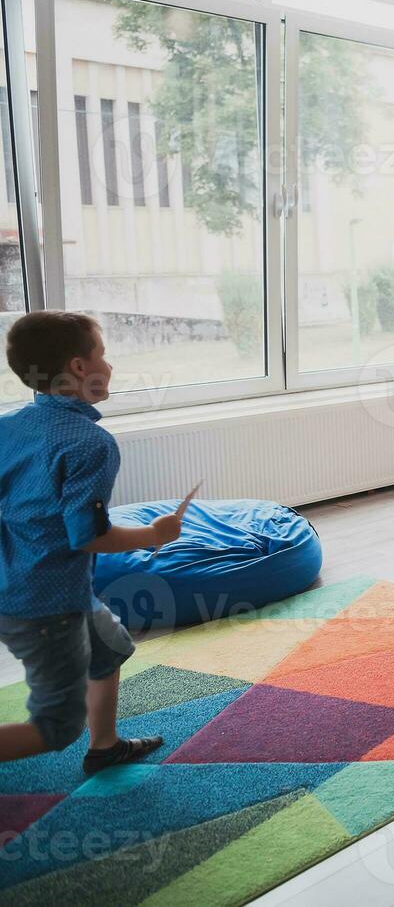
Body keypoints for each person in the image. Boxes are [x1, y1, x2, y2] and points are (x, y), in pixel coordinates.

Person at [0, 312, 194, 773]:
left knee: (107, 651)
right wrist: (155, 534)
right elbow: (88, 536)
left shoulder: (10, 425)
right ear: (80, 367)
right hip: (43, 604)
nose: (109, 365)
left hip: (28, 581)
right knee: (55, 728)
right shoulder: (90, 444)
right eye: (102, 354)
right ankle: (87, 740)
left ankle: (104, 746)